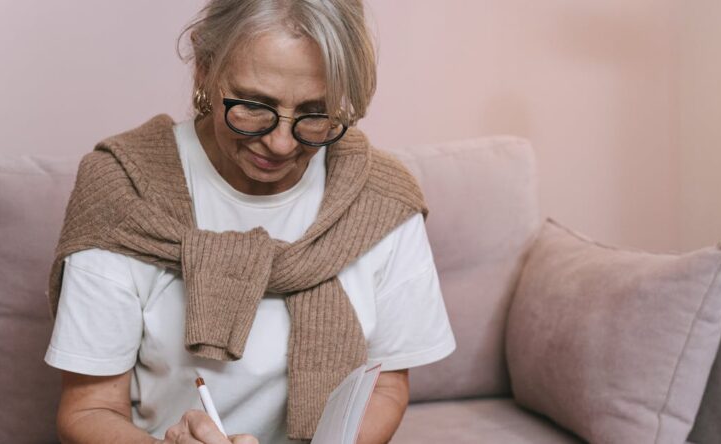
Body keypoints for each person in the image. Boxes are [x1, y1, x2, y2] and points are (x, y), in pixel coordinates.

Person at [44, 1, 456, 443]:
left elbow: (386, 386)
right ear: (204, 66)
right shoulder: (125, 190)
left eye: (315, 113)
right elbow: (89, 408)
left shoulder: (381, 199)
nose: (280, 144)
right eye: (254, 106)